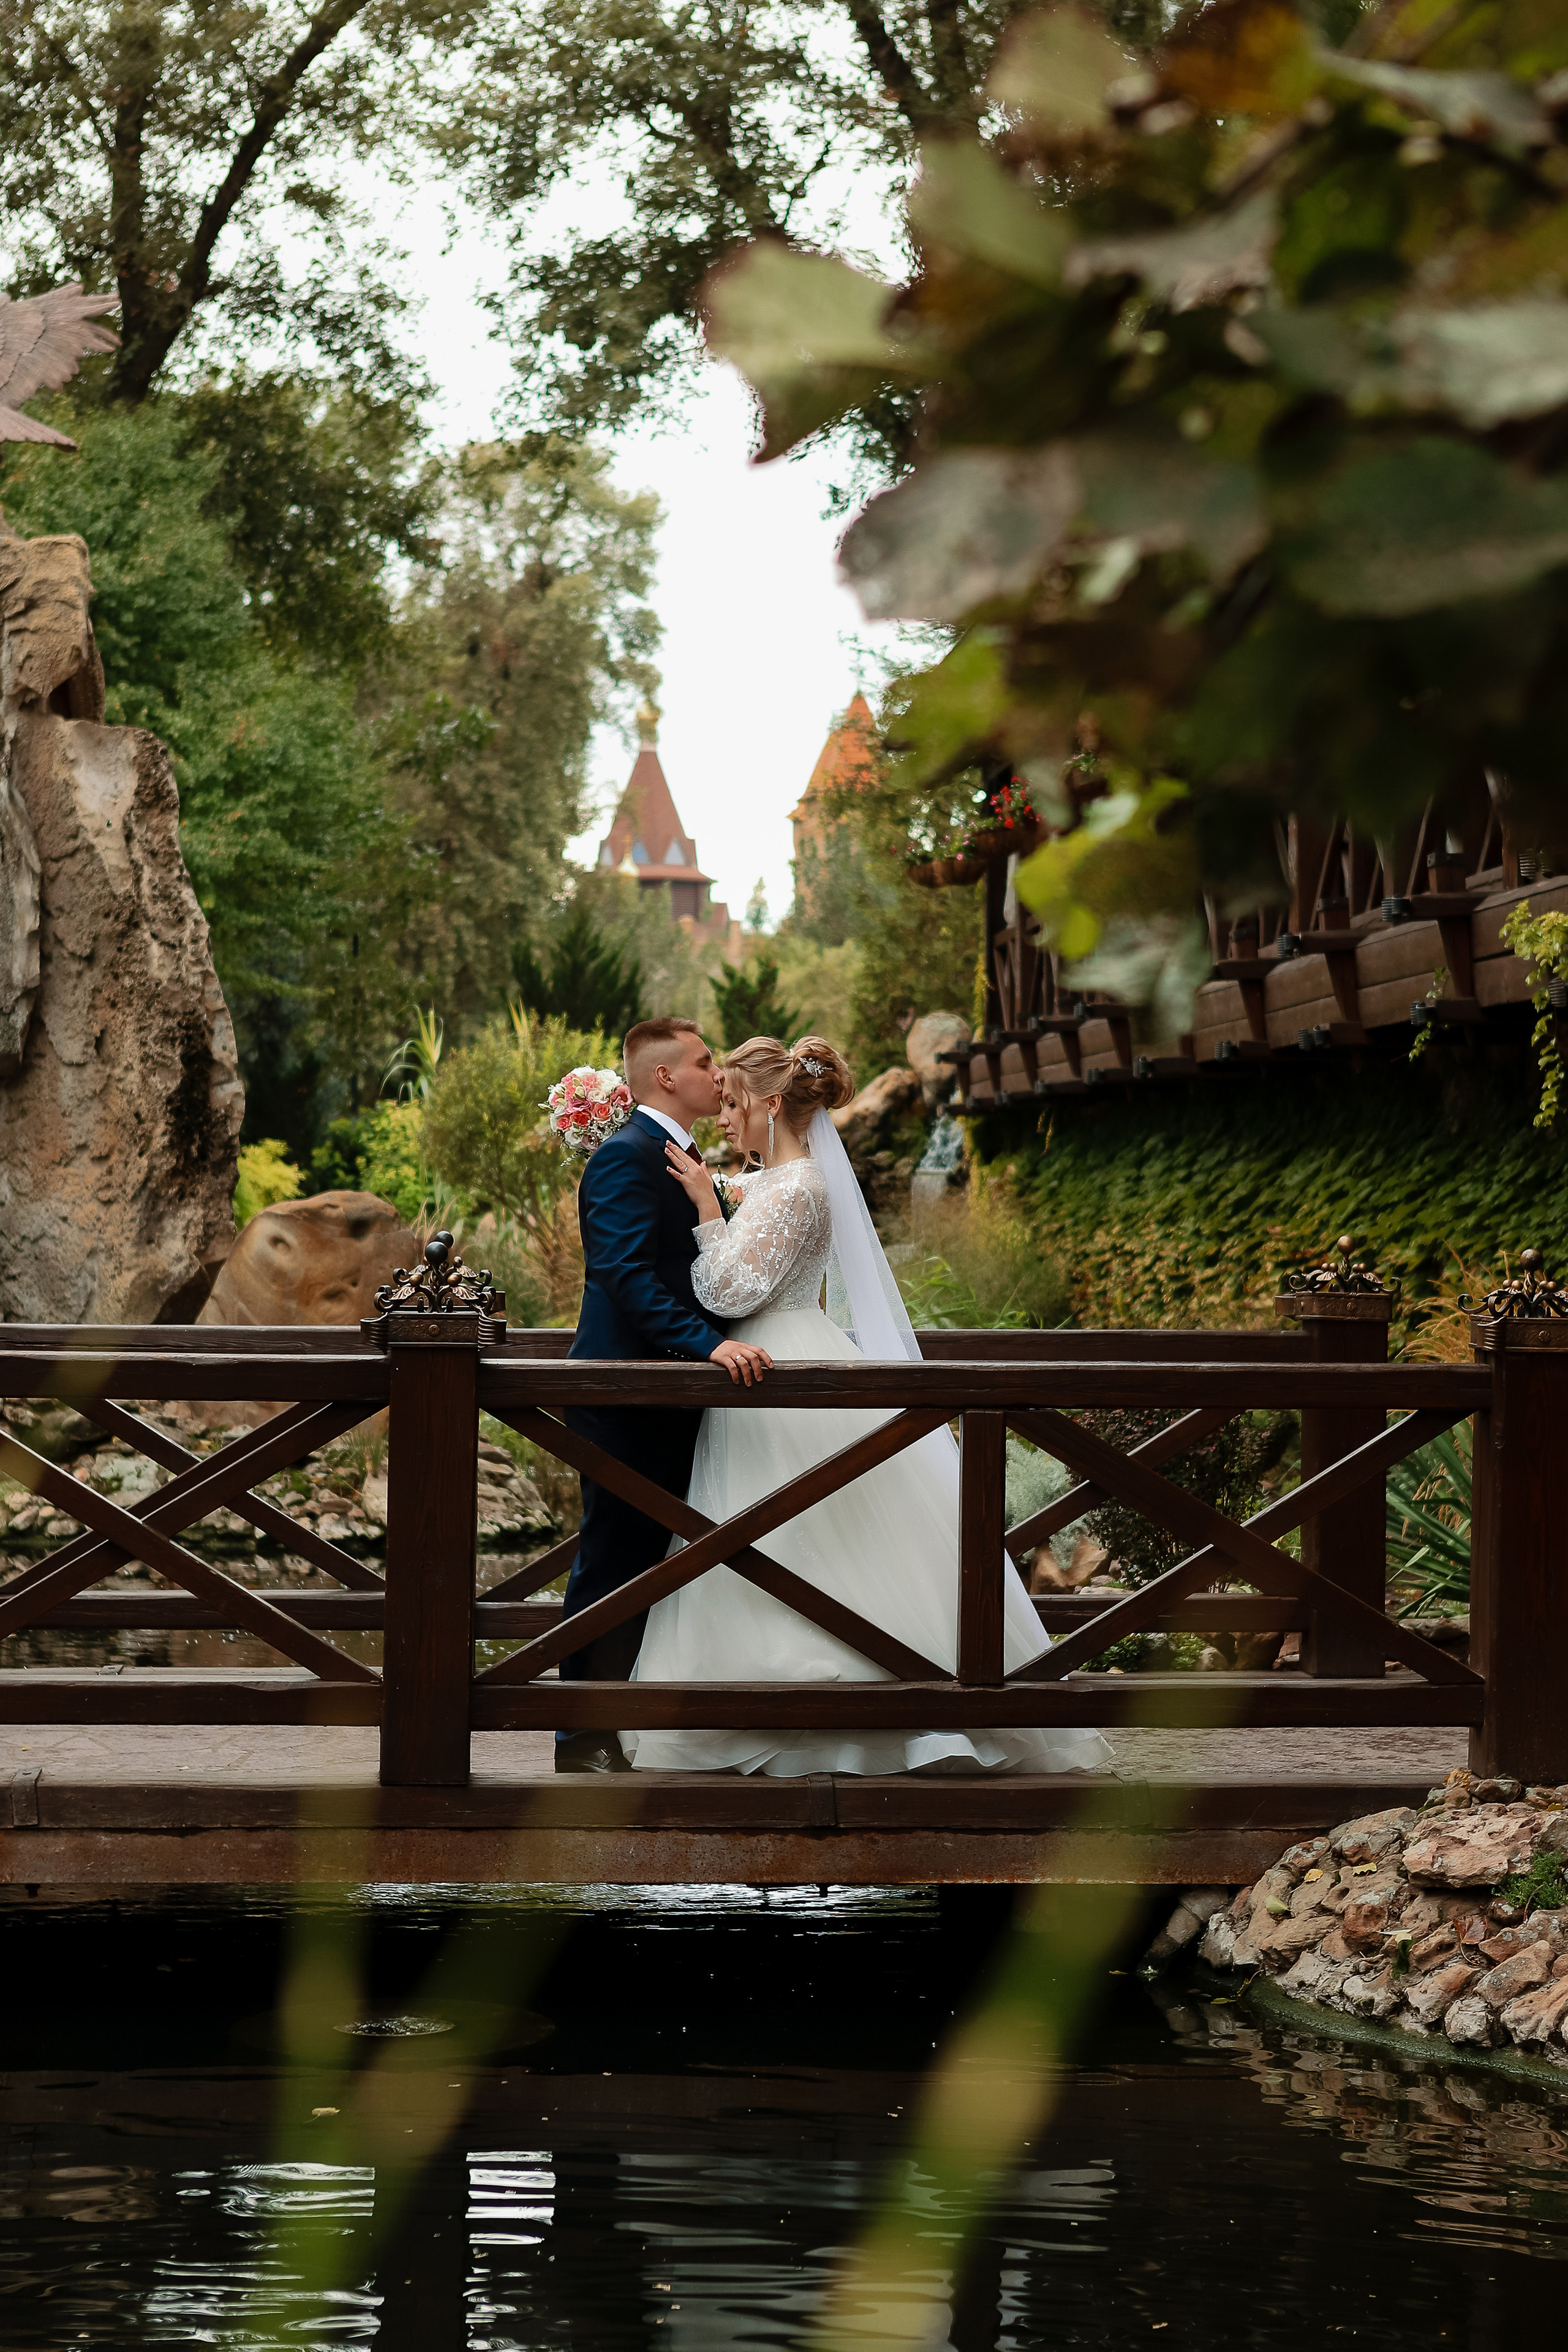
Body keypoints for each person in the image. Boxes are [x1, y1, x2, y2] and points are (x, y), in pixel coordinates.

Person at [622, 1032, 1114, 1778]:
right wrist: (711, 1193)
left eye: (732, 1103)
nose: (723, 1117)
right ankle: (771, 1699)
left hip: (781, 1375)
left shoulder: (800, 1189)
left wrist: (702, 1208)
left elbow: (726, 1291)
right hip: (765, 1370)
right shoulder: (766, 1185)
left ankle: (867, 1713)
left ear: (770, 1102)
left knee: (802, 1537)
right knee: (768, 1541)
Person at [557, 1017, 772, 1775]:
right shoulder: (624, 1158)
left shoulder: (675, 1154)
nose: (719, 1075)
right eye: (705, 1062)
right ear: (664, 1078)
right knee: (613, 1560)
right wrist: (708, 1345)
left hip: (666, 1392)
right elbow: (625, 1273)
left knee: (655, 1561)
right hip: (625, 1393)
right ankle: (579, 1737)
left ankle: (626, 1724)